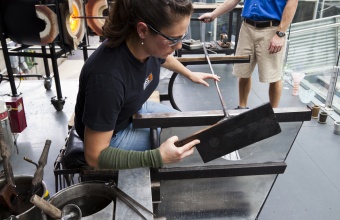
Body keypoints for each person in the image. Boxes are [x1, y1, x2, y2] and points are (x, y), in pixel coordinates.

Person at [74, 0, 220, 170]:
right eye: (173, 39)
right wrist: (157, 157)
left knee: (186, 128)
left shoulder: (148, 46)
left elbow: (163, 56)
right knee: (183, 142)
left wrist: (189, 73)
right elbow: (94, 156)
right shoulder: (107, 78)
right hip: (112, 136)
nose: (179, 46)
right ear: (142, 30)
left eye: (182, 37)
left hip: (132, 109)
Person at [199, 0, 298, 108]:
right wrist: (214, 14)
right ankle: (242, 107)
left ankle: (274, 113)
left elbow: (292, 3)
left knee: (274, 75)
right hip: (247, 27)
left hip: (272, 29)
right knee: (243, 71)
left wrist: (280, 33)